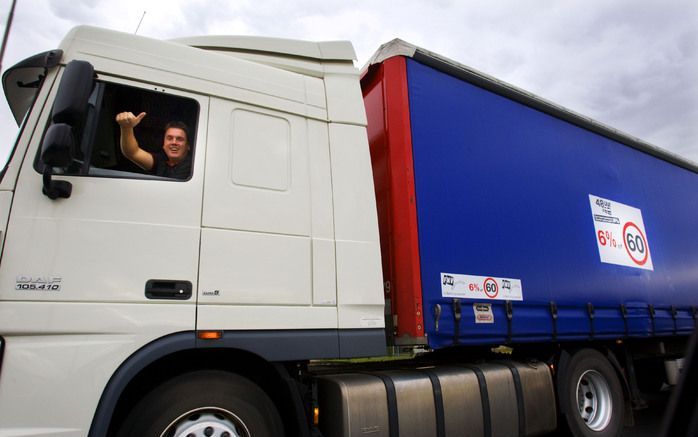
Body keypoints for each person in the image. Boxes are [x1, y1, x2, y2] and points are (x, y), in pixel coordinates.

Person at [115, 111, 192, 179]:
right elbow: (132, 152)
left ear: (188, 146)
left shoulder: (194, 166)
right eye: (169, 138)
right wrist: (126, 127)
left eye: (179, 139)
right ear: (164, 145)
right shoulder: (160, 162)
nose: (174, 142)